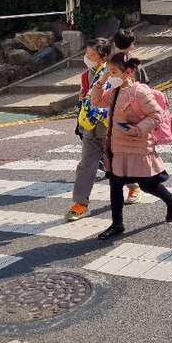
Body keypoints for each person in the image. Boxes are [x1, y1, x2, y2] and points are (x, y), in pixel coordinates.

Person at [90, 53, 172, 240]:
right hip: (117, 147)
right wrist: (102, 80)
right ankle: (117, 223)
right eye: (108, 71)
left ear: (128, 72)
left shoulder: (140, 92)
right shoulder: (114, 91)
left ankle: (171, 200)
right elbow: (96, 102)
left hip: (137, 147)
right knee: (115, 185)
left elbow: (157, 115)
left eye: (114, 72)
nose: (110, 75)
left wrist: (138, 129)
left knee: (148, 184)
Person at [66, 38, 113, 221]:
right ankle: (80, 204)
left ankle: (134, 185)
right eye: (87, 53)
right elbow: (82, 99)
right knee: (86, 165)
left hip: (110, 129)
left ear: (103, 58)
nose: (88, 57)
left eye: (92, 55)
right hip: (90, 130)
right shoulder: (86, 76)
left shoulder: (113, 74)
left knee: (118, 164)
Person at [111, 27, 148, 203]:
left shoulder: (110, 66)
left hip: (117, 115)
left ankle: (134, 186)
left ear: (113, 45)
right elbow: (146, 88)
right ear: (132, 46)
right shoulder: (136, 64)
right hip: (135, 115)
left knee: (122, 155)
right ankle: (134, 185)